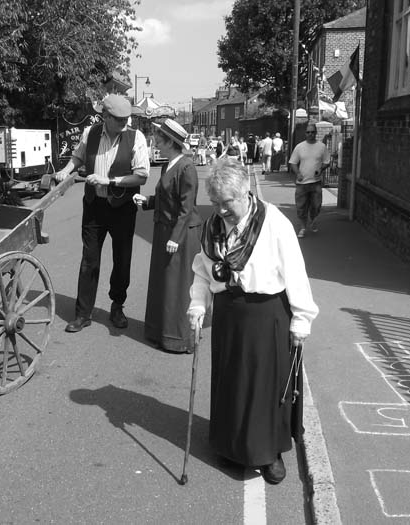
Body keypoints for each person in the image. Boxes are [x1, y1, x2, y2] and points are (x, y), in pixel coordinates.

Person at [186, 157, 318, 484]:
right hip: (229, 313)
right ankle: (230, 448)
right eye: (215, 203)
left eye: (226, 202)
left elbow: (296, 274)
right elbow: (203, 271)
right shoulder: (213, 226)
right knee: (231, 384)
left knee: (265, 387)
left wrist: (301, 320)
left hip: (266, 313)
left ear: (245, 192)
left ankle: (269, 453)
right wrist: (197, 305)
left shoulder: (274, 223)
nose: (220, 210)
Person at [54, 94, 150, 332]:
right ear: (105, 117)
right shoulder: (91, 133)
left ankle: (117, 306)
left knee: (122, 260)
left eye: (126, 119)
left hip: (122, 208)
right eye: (118, 119)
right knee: (89, 260)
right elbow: (77, 156)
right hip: (94, 206)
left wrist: (109, 181)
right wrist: (66, 170)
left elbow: (142, 175)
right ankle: (83, 313)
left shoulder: (136, 137)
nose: (124, 123)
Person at [132, 119, 202, 353]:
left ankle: (179, 338)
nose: (156, 144)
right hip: (164, 231)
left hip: (180, 235)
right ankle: (159, 332)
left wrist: (175, 237)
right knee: (163, 283)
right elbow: (165, 199)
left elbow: (186, 207)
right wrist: (148, 202)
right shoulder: (167, 165)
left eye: (159, 140)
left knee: (177, 286)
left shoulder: (187, 167)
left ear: (171, 143)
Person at [289, 122, 330, 238]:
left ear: (316, 133)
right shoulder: (299, 147)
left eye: (312, 132)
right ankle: (303, 227)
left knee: (316, 206)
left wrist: (321, 169)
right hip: (302, 183)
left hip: (316, 182)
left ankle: (313, 219)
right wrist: (298, 173)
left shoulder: (321, 147)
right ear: (305, 134)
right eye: (308, 132)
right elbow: (293, 162)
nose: (310, 134)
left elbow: (327, 161)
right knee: (301, 207)